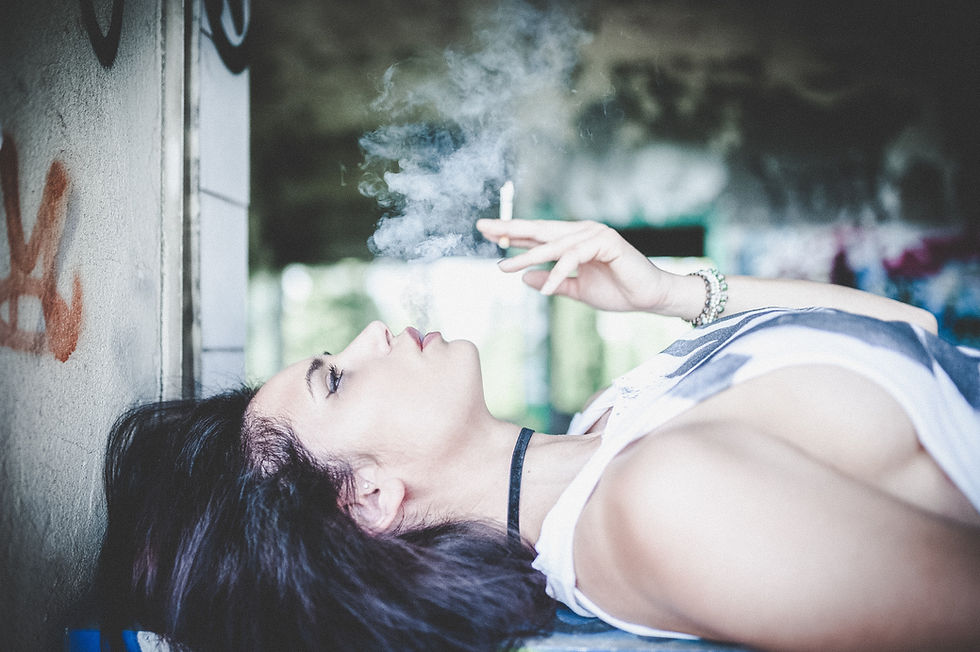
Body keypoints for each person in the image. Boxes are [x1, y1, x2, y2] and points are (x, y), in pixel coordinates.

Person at [95, 219, 980, 651]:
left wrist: (668, 295)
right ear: (369, 497)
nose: (368, 339)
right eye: (334, 376)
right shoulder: (656, 506)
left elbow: (918, 345)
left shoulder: (602, 429)